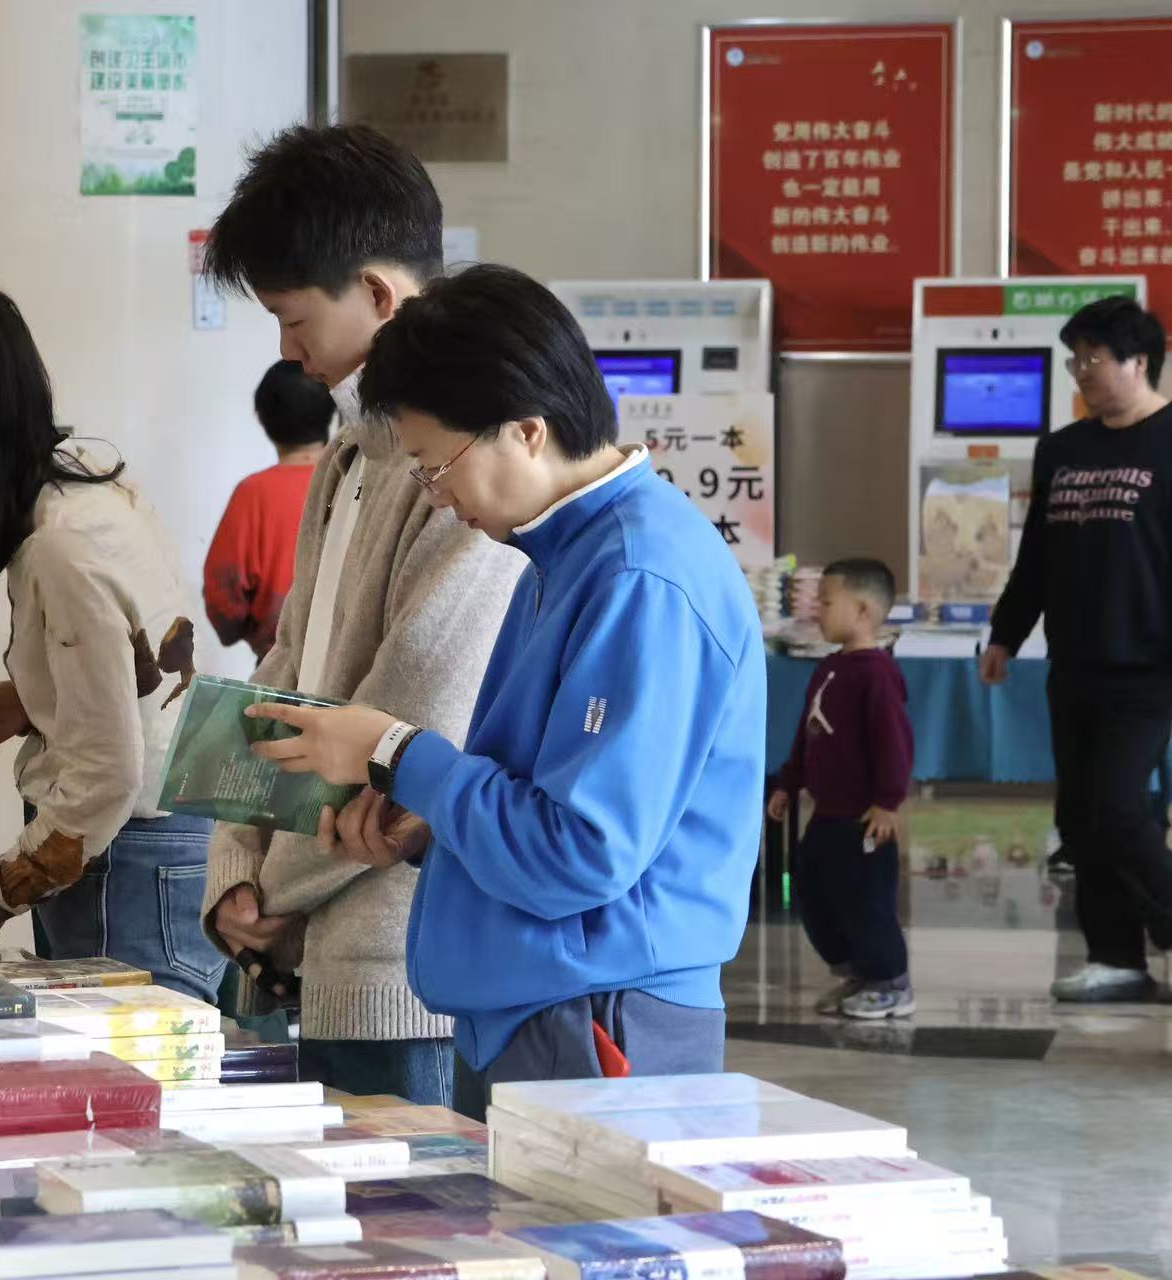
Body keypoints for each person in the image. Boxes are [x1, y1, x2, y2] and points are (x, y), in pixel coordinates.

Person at [243, 265, 764, 1113]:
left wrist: (395, 752)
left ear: (524, 431)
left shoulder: (641, 577)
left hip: (596, 1013)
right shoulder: (558, 554)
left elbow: (580, 853)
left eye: (434, 465)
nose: (438, 497)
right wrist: (434, 825)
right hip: (536, 1003)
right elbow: (542, 798)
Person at [197, 124, 522, 1105]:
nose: (287, 351)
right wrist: (233, 870)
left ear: (379, 294)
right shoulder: (346, 453)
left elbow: (412, 716)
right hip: (309, 943)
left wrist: (269, 892)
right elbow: (284, 664)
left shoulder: (466, 465)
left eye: (294, 319)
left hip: (401, 965)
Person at [0, 285, 225, 1004]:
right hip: (141, 852)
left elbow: (108, 773)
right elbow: (135, 676)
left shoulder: (62, 545)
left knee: (130, 1076)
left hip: (127, 863)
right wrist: (26, 702)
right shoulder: (85, 486)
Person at [982, 294, 1172, 1003]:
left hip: (1151, 665)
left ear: (1138, 361)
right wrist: (1007, 633)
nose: (1082, 371)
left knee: (1118, 806)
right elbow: (1037, 554)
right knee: (1082, 818)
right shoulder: (1062, 449)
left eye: (1093, 358)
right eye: (1075, 360)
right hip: (1075, 662)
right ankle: (1117, 958)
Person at [768, 559, 915, 1020]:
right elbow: (808, 731)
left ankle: (889, 981)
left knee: (865, 902)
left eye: (827, 602)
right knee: (814, 890)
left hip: (863, 820)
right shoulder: (830, 667)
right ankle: (856, 972)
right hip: (827, 814)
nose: (817, 611)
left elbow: (894, 742)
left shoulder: (878, 674)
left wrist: (887, 802)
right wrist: (789, 782)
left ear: (864, 610)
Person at [204, 361, 336, 660]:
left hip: (277, 665)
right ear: (332, 411)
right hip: (353, 670)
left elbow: (223, 594)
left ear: (261, 417)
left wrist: (236, 629)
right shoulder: (354, 481)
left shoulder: (254, 493)